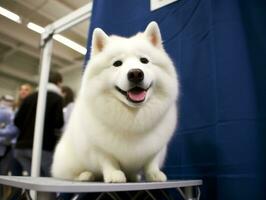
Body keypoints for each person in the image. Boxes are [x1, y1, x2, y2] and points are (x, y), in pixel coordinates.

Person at [14, 71, 64, 177]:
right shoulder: (56, 98)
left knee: (34, 181)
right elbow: (59, 122)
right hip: (43, 148)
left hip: (21, 147)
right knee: (49, 183)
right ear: (59, 83)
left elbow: (17, 120)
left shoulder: (29, 97)